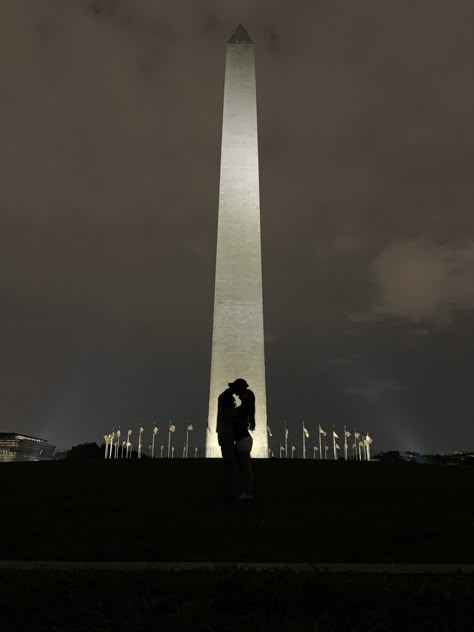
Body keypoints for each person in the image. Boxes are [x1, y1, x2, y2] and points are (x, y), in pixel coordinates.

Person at [229, 379, 255, 501]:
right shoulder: (245, 410)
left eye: (242, 396)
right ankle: (245, 491)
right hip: (243, 440)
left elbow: (238, 421)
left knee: (245, 469)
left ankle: (246, 492)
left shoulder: (243, 410)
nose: (239, 396)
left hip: (243, 440)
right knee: (245, 469)